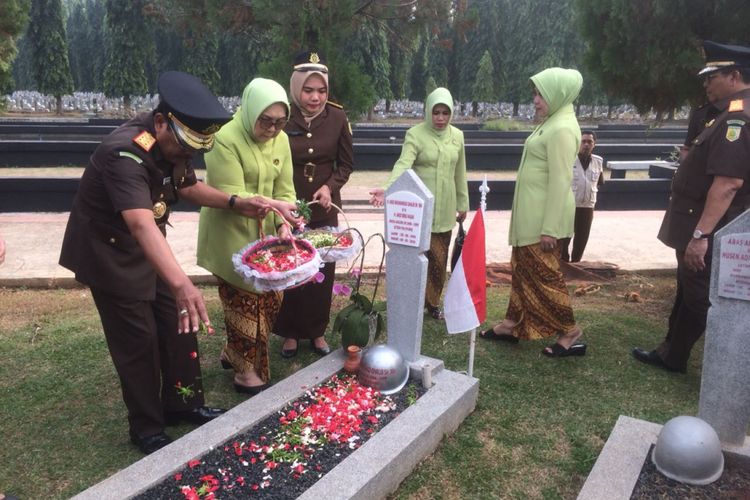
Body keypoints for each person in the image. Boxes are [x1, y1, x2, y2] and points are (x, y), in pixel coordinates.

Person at [59, 71, 273, 455]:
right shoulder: (123, 151)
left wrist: (236, 202)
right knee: (138, 339)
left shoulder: (175, 142)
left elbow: (186, 185)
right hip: (110, 254)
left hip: (148, 247)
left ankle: (183, 403)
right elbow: (141, 224)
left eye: (196, 149)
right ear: (161, 123)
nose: (188, 155)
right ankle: (146, 426)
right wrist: (182, 283)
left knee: (179, 326)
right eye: (186, 147)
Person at [633, 40, 750, 373]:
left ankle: (730, 372)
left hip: (709, 228)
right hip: (700, 224)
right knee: (688, 292)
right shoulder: (725, 114)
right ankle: (673, 355)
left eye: (711, 76)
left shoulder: (736, 120)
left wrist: (700, 235)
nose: (705, 84)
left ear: (734, 76)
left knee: (703, 301)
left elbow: (728, 183)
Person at [197, 78, 301, 394]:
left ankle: (233, 352)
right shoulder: (224, 139)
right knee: (244, 304)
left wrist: (285, 221)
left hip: (267, 235)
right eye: (266, 121)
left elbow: (286, 187)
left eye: (280, 122)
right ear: (250, 111)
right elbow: (234, 196)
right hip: (230, 234)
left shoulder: (280, 139)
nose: (272, 129)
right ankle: (245, 373)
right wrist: (278, 207)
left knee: (272, 298)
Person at [481, 67, 587, 358]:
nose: (535, 100)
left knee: (545, 277)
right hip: (531, 219)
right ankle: (512, 324)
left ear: (557, 94)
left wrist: (550, 227)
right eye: (535, 94)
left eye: (540, 94)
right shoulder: (552, 122)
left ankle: (570, 332)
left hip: (544, 222)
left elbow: (560, 179)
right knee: (522, 272)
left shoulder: (563, 128)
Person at [273, 51, 354, 358]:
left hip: (324, 206)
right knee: (291, 266)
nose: (315, 97)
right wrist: (281, 201)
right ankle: (290, 332)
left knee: (322, 268)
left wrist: (330, 187)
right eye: (308, 90)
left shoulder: (337, 117)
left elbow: (346, 164)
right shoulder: (281, 117)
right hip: (289, 205)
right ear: (296, 89)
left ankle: (317, 332)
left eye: (321, 91)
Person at [369, 87, 468, 319]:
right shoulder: (415, 134)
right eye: (436, 112)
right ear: (428, 112)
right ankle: (411, 302)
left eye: (445, 113)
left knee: (439, 260)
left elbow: (460, 172)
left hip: (445, 210)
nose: (441, 118)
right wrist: (388, 189)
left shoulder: (458, 136)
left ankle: (432, 303)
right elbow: (403, 164)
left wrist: (463, 203)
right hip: (420, 211)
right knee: (415, 258)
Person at [559, 130, 604, 262]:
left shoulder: (598, 161)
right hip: (569, 206)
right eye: (583, 141)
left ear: (594, 144)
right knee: (564, 238)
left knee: (582, 239)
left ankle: (576, 264)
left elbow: (599, 182)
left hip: (587, 206)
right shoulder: (568, 160)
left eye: (589, 142)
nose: (586, 144)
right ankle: (564, 265)